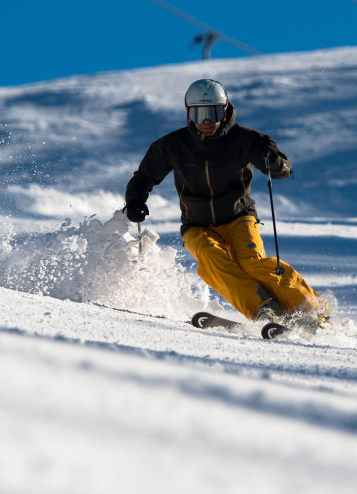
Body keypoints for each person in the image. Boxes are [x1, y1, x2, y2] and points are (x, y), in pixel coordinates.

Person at [125, 78, 326, 324]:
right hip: (197, 225)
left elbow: (285, 169)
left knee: (251, 263)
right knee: (212, 260)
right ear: (189, 114)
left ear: (225, 109)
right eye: (199, 113)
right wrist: (135, 200)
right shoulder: (173, 146)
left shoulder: (244, 140)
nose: (206, 120)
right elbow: (144, 177)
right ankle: (264, 309)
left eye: (213, 112)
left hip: (238, 217)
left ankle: (311, 309)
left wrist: (273, 159)